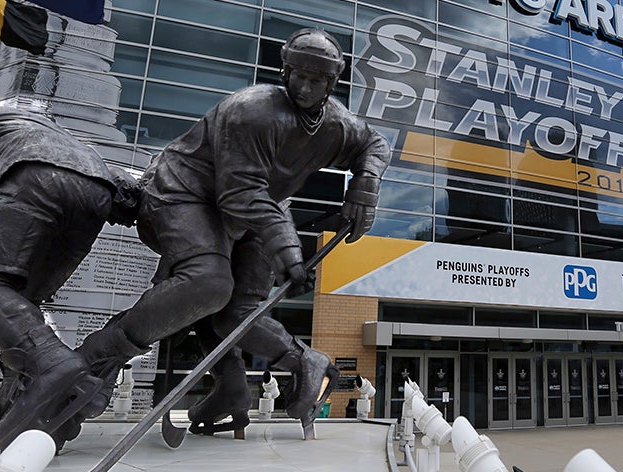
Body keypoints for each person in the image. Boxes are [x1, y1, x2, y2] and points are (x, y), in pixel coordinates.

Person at [76, 28, 391, 438]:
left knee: (235, 315)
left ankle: (265, 377)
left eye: (317, 81)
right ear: (285, 71)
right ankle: (98, 358)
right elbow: (238, 191)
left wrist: (364, 187)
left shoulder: (336, 124)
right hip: (190, 194)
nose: (305, 87)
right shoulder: (252, 111)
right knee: (205, 284)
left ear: (332, 83)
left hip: (256, 211)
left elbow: (376, 143)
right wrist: (286, 248)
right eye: (298, 75)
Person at [0, 105, 140, 450]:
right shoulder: (66, 139)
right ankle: (15, 396)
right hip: (95, 193)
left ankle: (55, 364)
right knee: (18, 309)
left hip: (33, 175)